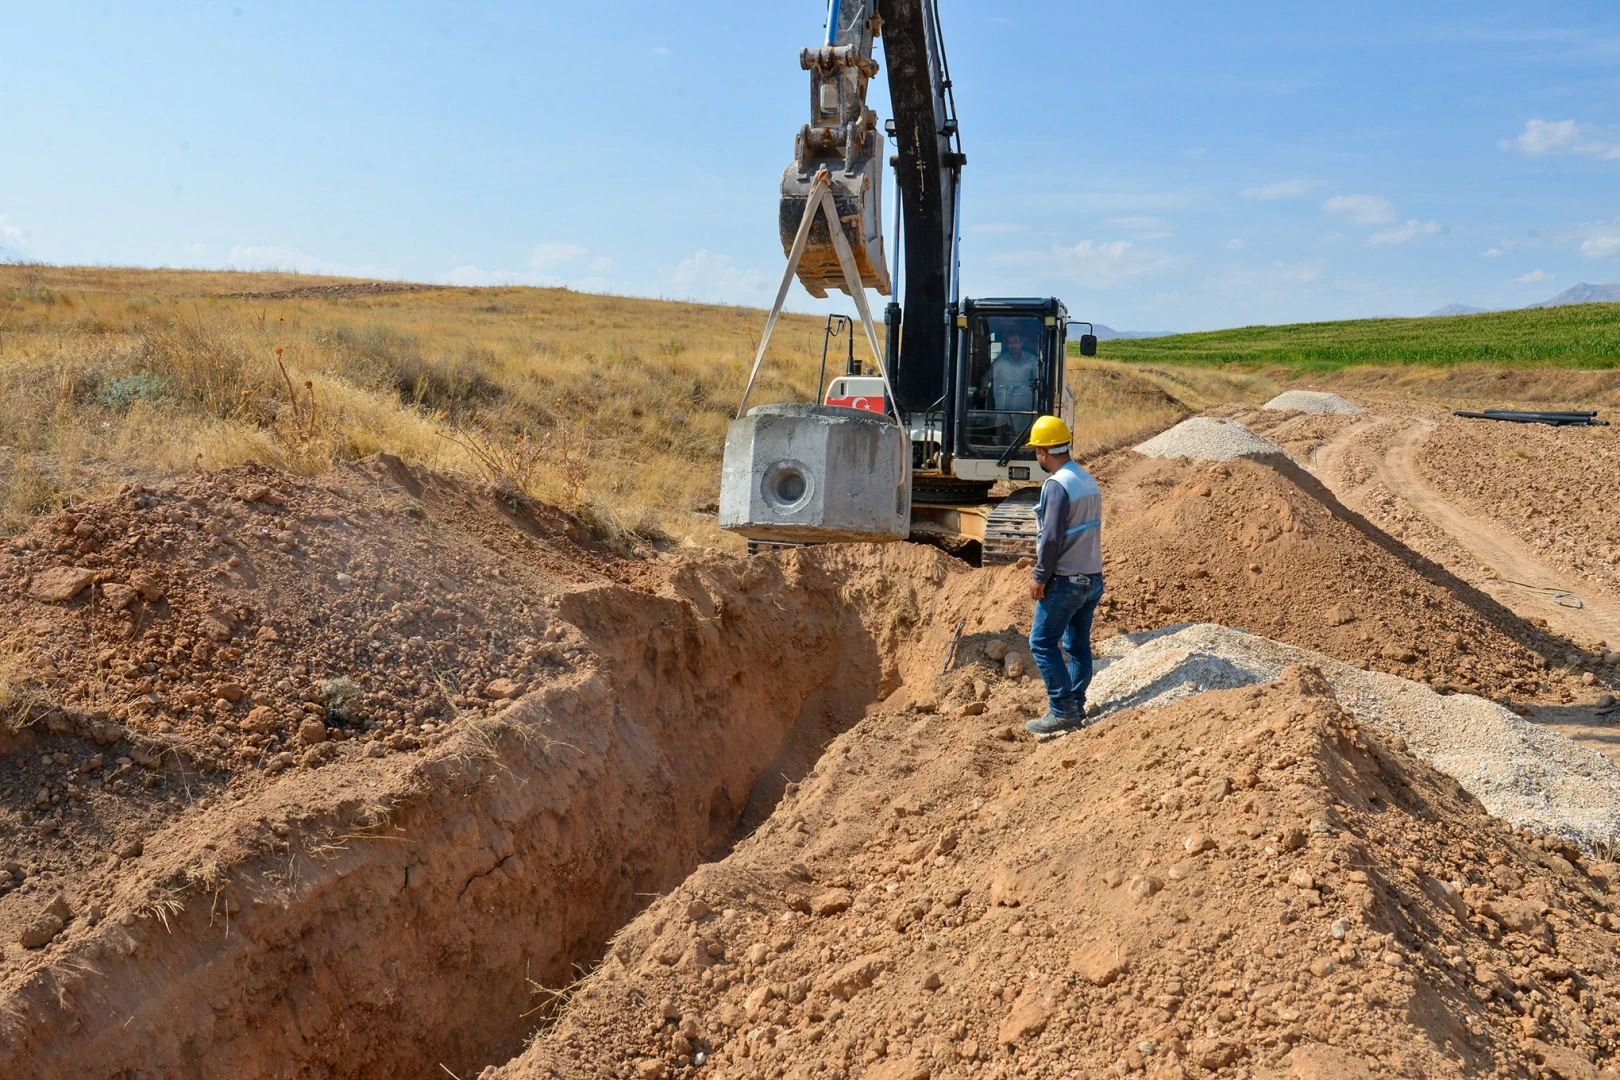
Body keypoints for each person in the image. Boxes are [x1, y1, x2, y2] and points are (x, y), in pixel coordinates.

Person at [1021, 415, 1104, 736]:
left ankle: (1062, 711)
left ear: (1042, 451)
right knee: (1078, 645)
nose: (1036, 456)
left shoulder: (1056, 485)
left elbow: (1052, 538)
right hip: (1092, 577)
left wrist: (1040, 576)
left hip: (1066, 580)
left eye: (1036, 451)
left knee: (1041, 643)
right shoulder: (1086, 478)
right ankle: (1076, 703)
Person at [974, 329, 1039, 413]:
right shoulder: (1000, 361)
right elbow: (987, 377)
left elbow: (1039, 380)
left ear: (1021, 343)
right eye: (1010, 343)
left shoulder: (1032, 360)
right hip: (1004, 406)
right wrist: (984, 387)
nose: (1012, 345)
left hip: (1026, 409)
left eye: (1015, 342)